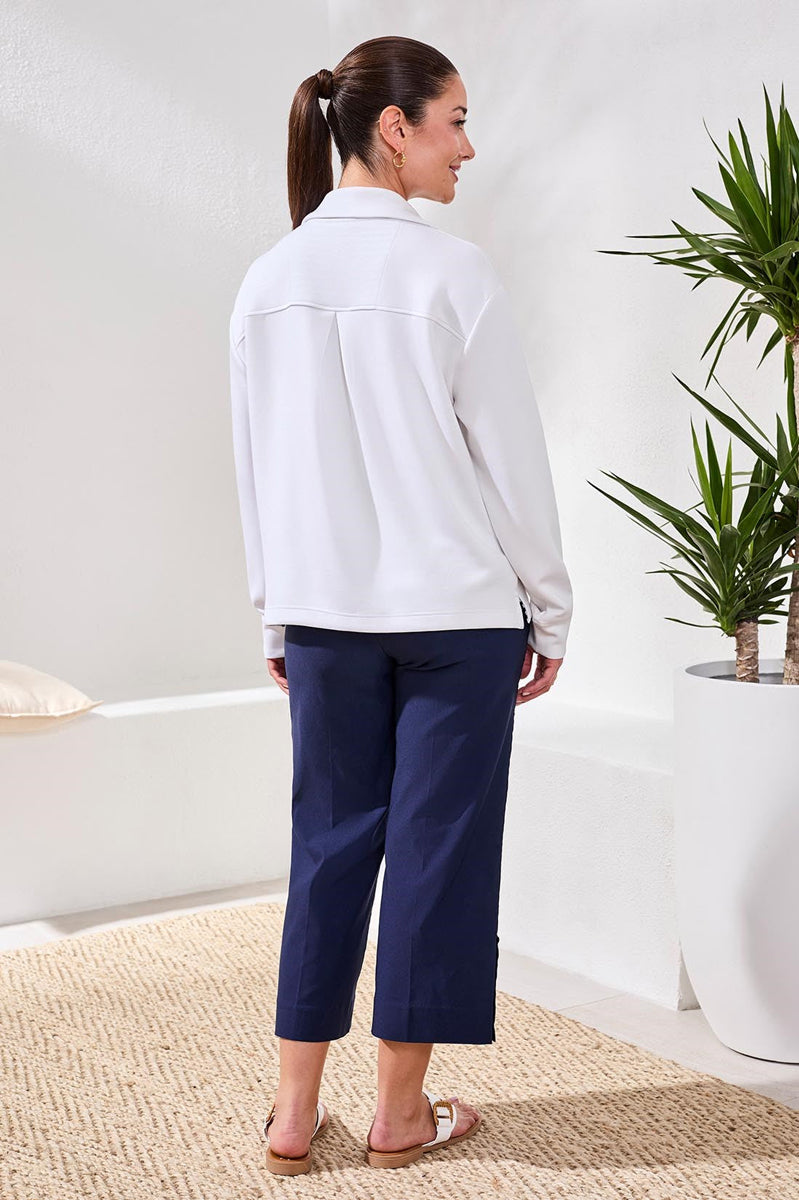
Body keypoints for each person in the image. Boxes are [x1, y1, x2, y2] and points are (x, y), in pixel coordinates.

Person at [229, 34, 573, 1175]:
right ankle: (397, 1115)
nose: (467, 147)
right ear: (395, 126)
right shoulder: (452, 274)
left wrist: (276, 612)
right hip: (455, 618)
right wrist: (550, 611)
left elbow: (257, 471)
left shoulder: (268, 281)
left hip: (324, 618)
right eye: (455, 120)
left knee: (326, 845)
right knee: (439, 853)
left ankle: (290, 1111)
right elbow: (511, 469)